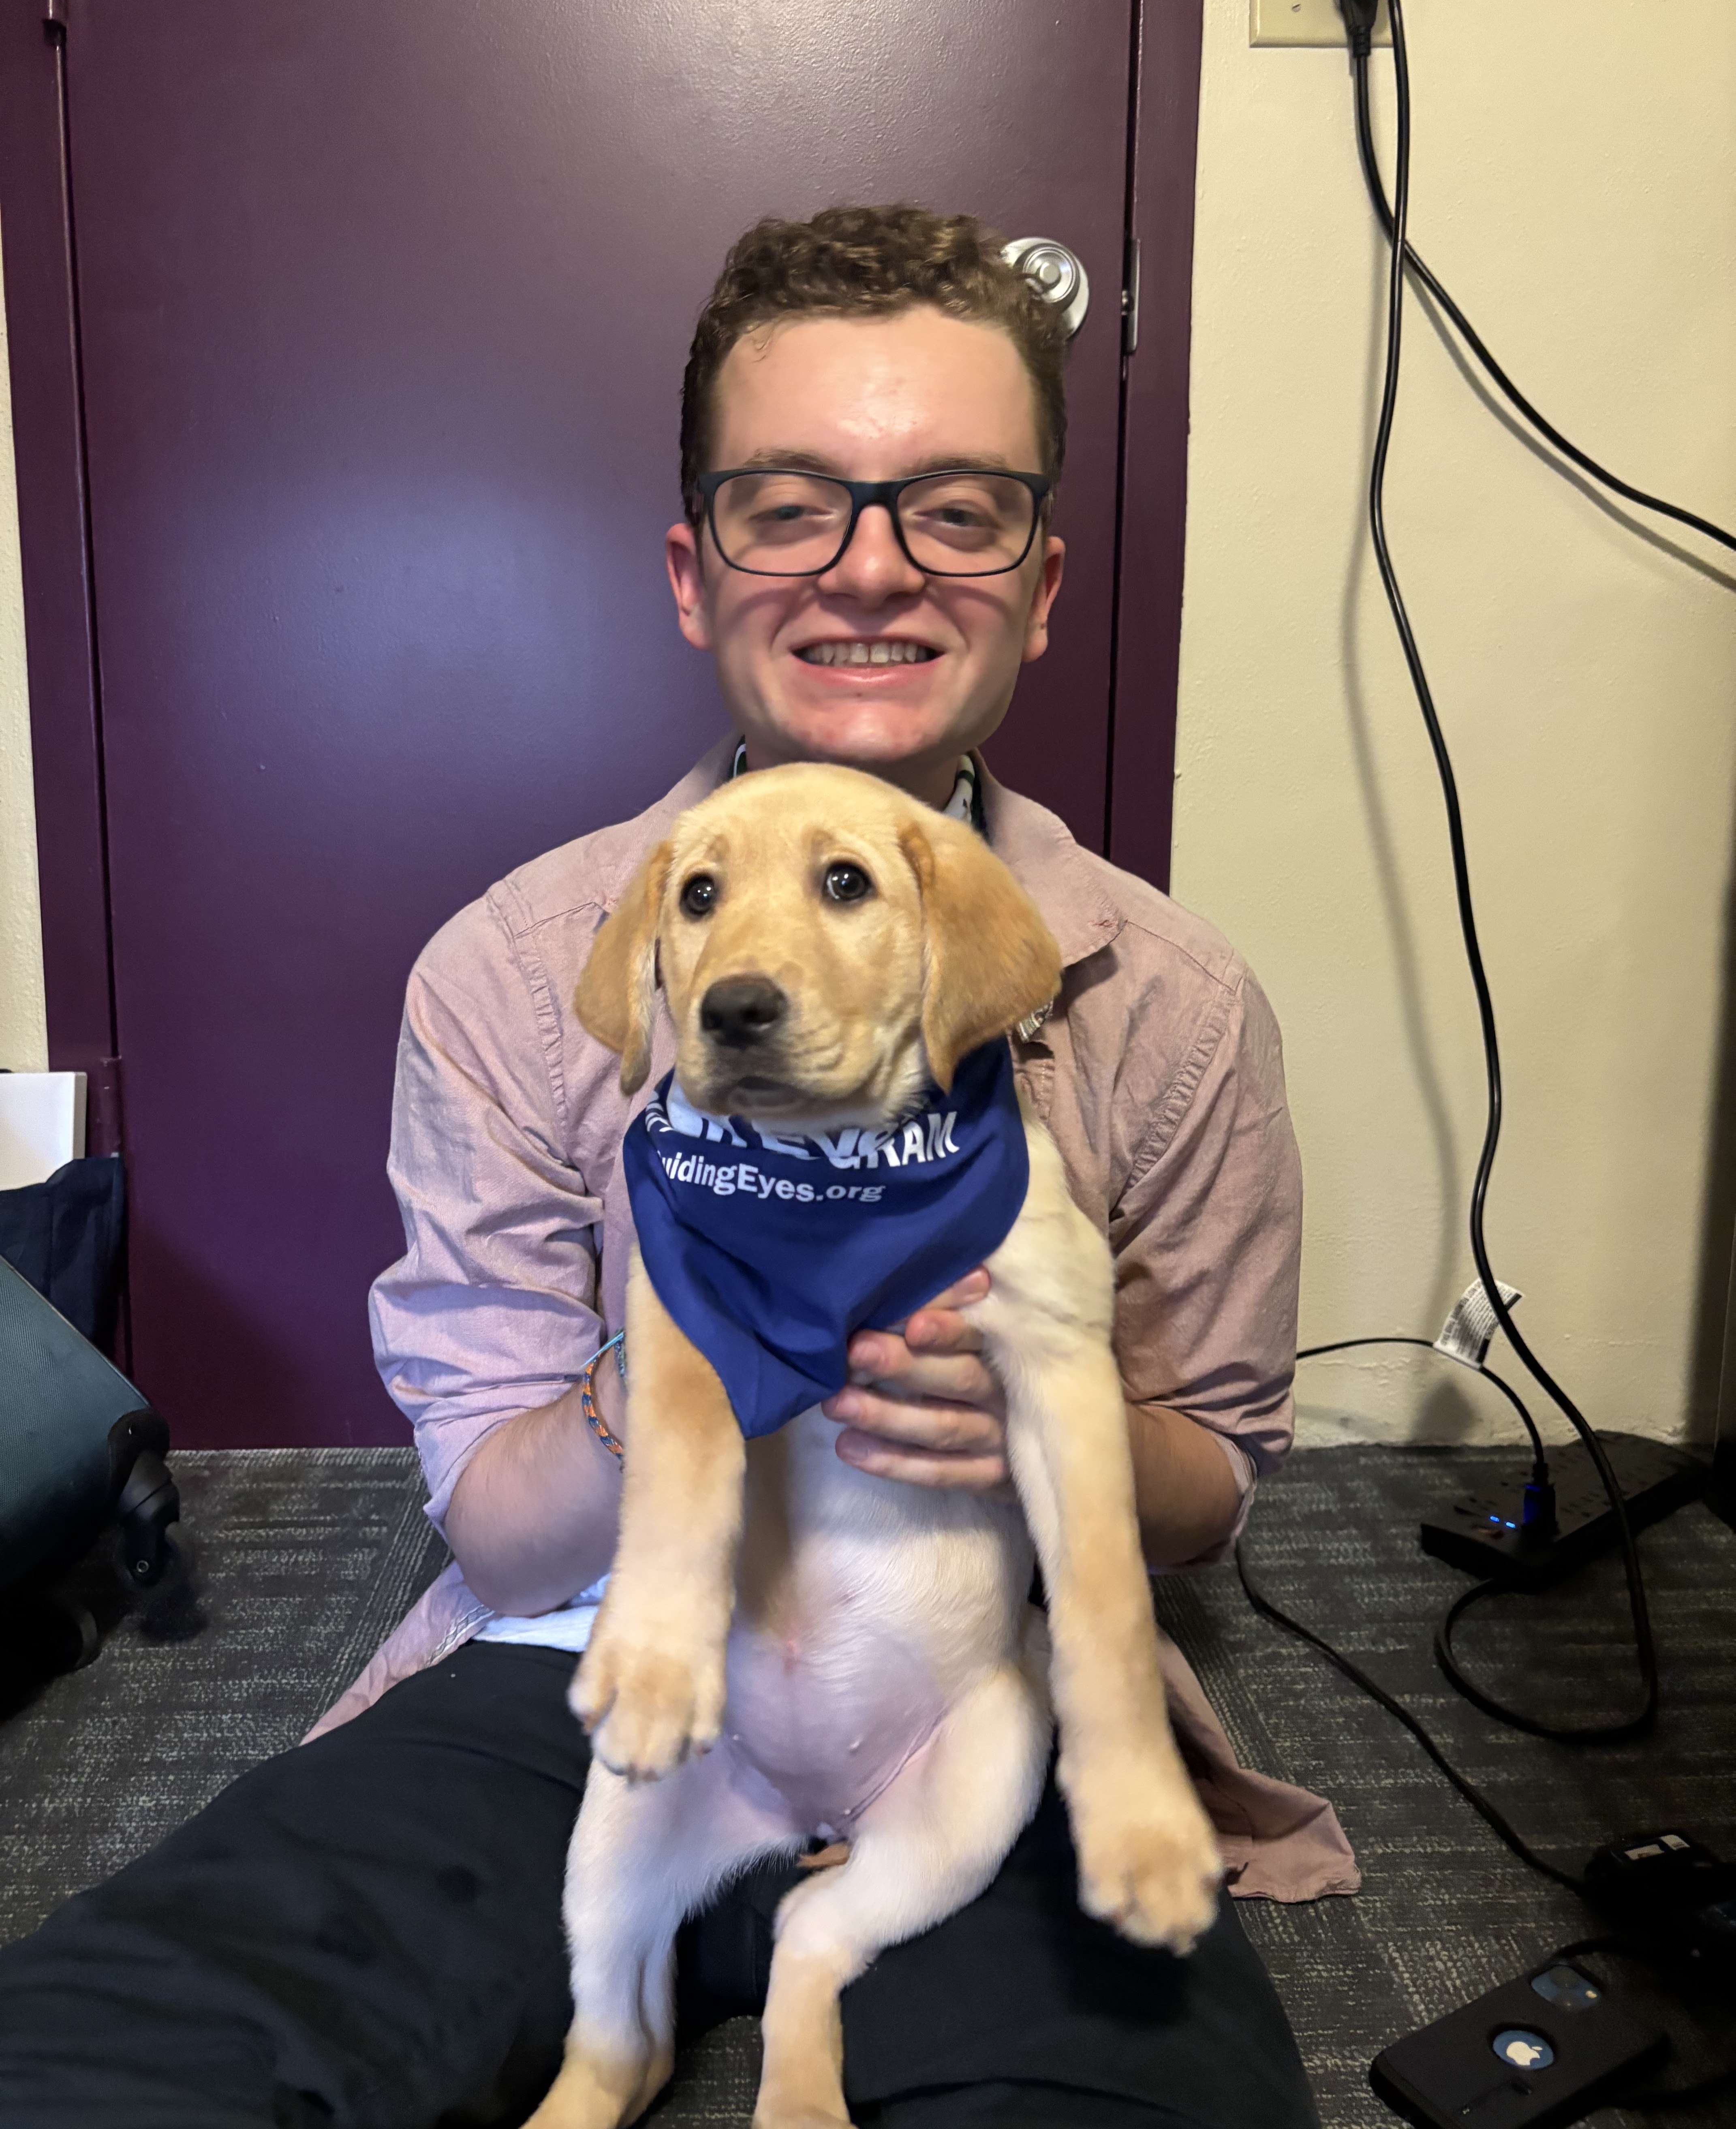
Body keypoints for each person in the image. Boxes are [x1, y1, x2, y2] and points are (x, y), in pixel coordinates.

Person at [0, 205, 1354, 2129]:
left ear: (1041, 584)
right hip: (586, 1673)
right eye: (788, 507)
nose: (871, 568)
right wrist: (670, 1366)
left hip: (969, 1683)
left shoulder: (1177, 997)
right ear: (693, 571)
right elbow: (498, 1526)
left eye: (957, 511)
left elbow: (1210, 1489)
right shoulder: (512, 968)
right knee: (102, 2063)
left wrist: (1048, 1415)